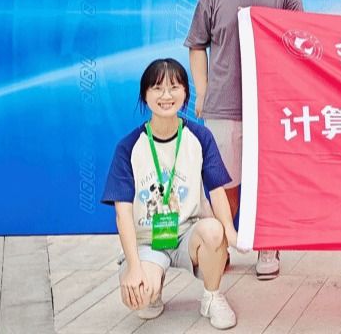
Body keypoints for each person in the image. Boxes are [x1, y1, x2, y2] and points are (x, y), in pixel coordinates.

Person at [185, 0, 303, 280]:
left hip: (269, 108)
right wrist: (202, 90)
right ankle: (218, 247)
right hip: (223, 107)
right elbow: (197, 46)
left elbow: (299, 47)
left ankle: (268, 246)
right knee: (225, 184)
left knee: (266, 182)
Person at [102, 58, 241, 329]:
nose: (166, 95)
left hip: (188, 232)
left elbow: (217, 189)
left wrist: (229, 230)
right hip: (147, 240)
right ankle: (153, 283)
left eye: (174, 87)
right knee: (140, 300)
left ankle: (212, 297)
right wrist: (134, 268)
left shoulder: (200, 137)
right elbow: (122, 214)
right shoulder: (129, 147)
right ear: (145, 95)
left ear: (186, 93)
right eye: (157, 88)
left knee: (214, 231)